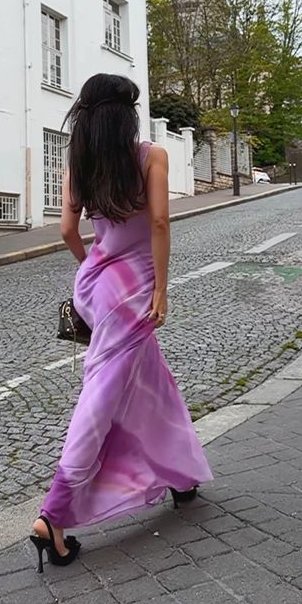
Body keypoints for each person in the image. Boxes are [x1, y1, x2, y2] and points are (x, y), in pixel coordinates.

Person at [30, 73, 213, 571]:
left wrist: (91, 268)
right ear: (128, 115)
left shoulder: (78, 162)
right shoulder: (150, 155)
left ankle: (180, 474)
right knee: (104, 392)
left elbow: (69, 228)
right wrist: (158, 287)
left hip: (94, 284)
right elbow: (157, 222)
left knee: (152, 382)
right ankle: (55, 513)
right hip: (133, 292)